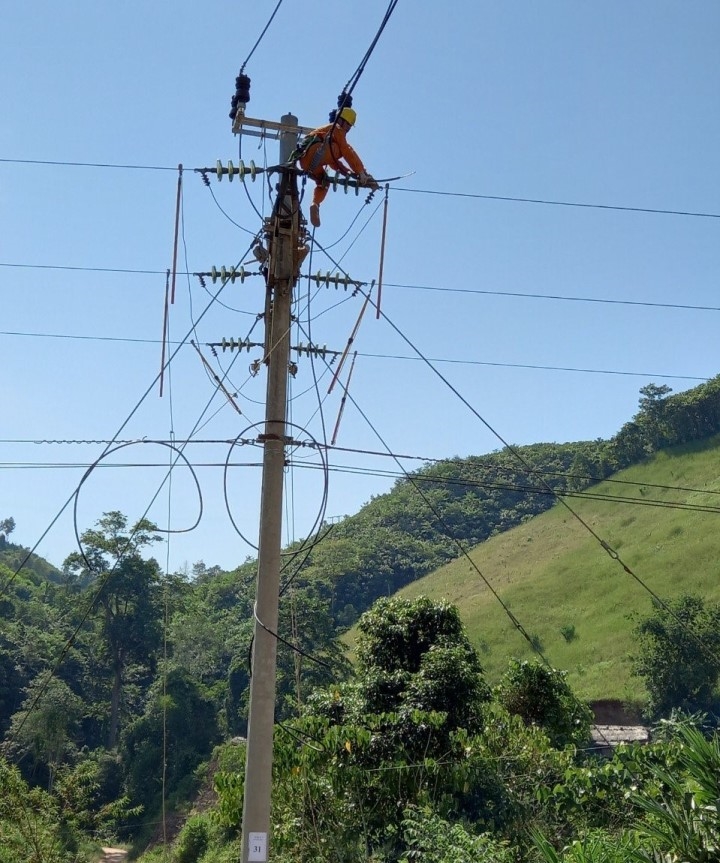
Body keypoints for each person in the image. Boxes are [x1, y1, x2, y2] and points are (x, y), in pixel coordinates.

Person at [295, 107, 378, 227]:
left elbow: (334, 163)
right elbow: (347, 152)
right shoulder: (337, 129)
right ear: (342, 121)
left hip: (306, 162)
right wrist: (361, 172)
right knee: (343, 149)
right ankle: (316, 203)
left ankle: (315, 204)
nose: (348, 128)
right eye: (348, 124)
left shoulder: (329, 136)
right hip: (315, 151)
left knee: (323, 182)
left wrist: (351, 174)